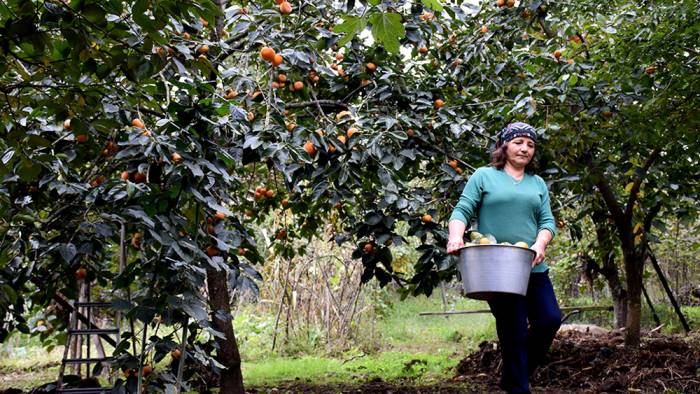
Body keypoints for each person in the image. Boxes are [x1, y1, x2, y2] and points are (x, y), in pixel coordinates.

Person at [446, 122, 561, 394]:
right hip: (496, 268)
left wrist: (540, 244)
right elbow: (462, 210)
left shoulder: (537, 183)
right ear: (504, 145)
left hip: (531, 266)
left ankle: (512, 377)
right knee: (514, 332)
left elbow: (547, 221)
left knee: (549, 320)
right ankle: (519, 387)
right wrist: (455, 237)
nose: (525, 148)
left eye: (530, 144)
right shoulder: (484, 176)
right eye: (519, 142)